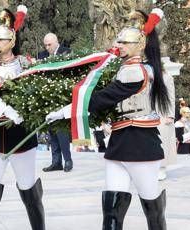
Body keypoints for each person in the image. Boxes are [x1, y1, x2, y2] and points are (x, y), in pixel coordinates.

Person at [46, 8, 168, 230]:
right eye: (118, 41)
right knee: (111, 210)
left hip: (140, 143)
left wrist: (65, 111)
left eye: (125, 42)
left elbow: (102, 99)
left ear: (139, 45)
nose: (119, 45)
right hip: (120, 140)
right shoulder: (123, 67)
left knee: (153, 210)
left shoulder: (136, 71)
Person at [0, 6, 46, 229]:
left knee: (29, 191)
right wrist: (6, 110)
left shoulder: (25, 63)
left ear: (11, 41)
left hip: (21, 136)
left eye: (0, 40)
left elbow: (38, 91)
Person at [38, 33, 73, 173]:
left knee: (61, 130)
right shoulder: (41, 55)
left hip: (62, 97)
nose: (47, 48)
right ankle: (56, 161)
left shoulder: (67, 52)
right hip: (47, 96)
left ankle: (68, 160)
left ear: (56, 42)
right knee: (51, 131)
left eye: (49, 45)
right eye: (45, 45)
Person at [157, 67, 176, 181]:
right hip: (147, 112)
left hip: (162, 112)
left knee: (163, 141)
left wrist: (170, 114)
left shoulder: (166, 76)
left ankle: (162, 167)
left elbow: (171, 95)